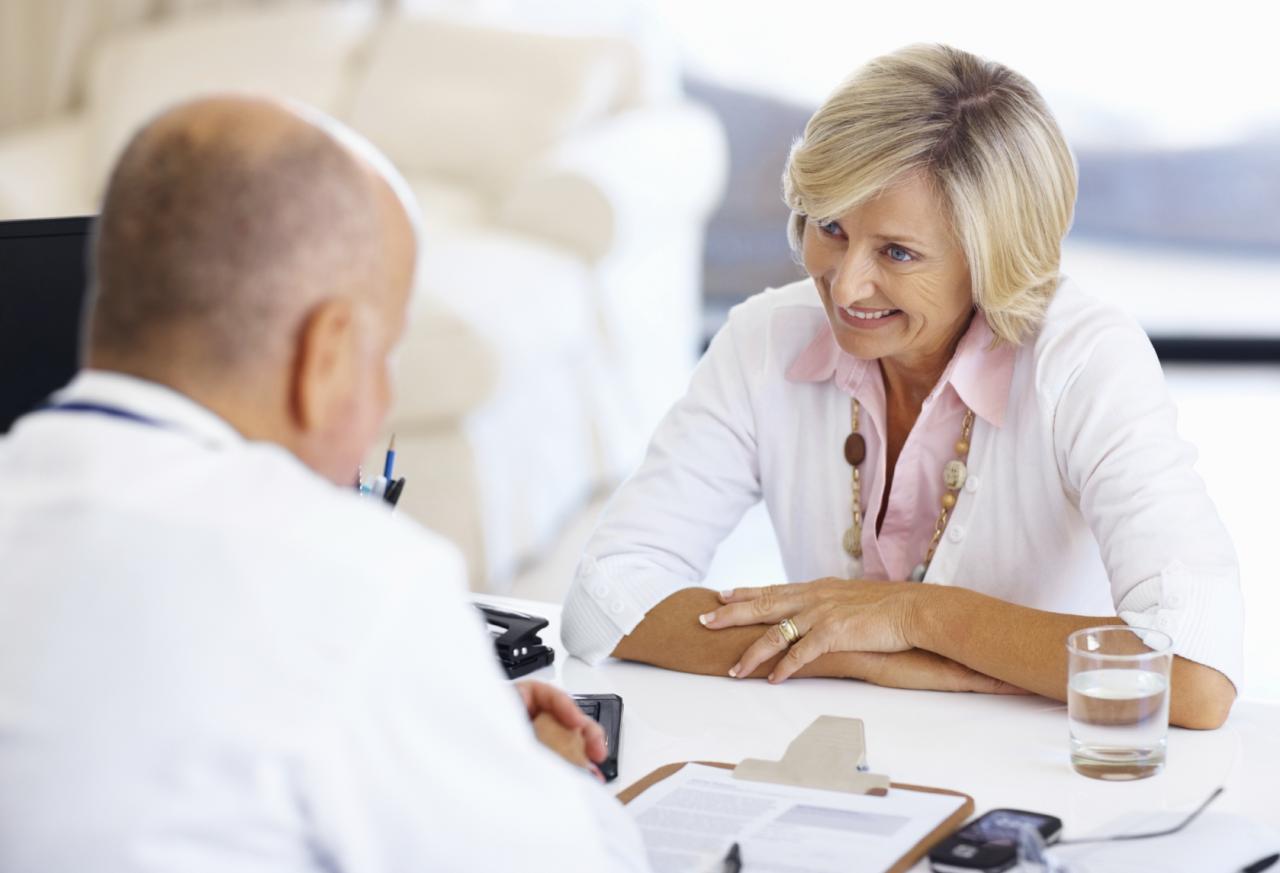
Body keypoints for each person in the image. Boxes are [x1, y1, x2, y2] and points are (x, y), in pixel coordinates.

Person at [0, 96, 647, 872]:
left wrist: (436, 720)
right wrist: (544, 769)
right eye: (386, 355)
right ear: (326, 351)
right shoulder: (352, 577)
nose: (382, 400)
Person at [561, 43, 1242, 730]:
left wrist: (915, 616)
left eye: (897, 252)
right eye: (831, 227)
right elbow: (603, 599)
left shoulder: (1086, 361)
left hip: (1044, 774)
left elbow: (1196, 676)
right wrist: (858, 655)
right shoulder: (765, 339)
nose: (845, 283)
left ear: (991, 260)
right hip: (837, 760)